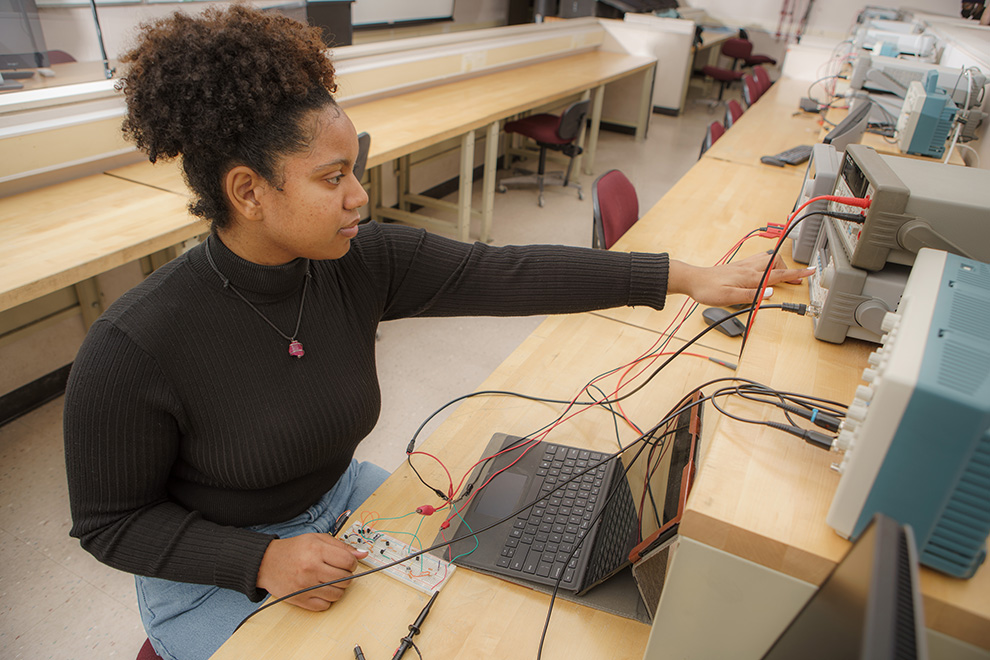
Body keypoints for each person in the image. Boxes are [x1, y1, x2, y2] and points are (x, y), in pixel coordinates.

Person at [62, 6, 813, 660]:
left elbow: (512, 272)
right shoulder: (135, 347)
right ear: (248, 191)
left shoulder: (358, 261)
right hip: (208, 574)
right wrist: (261, 559)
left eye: (355, 169)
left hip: (338, 500)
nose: (360, 197)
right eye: (333, 179)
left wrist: (684, 276)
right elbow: (110, 525)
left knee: (471, 611)